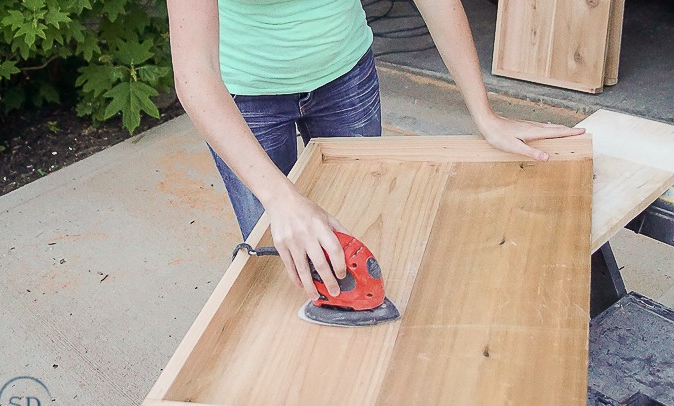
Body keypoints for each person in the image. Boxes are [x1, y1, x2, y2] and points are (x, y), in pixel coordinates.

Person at [166, 0, 585, 303]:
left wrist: (485, 113)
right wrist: (280, 199)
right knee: (290, 249)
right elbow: (194, 72)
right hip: (244, 99)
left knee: (363, 229)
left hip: (345, 76)